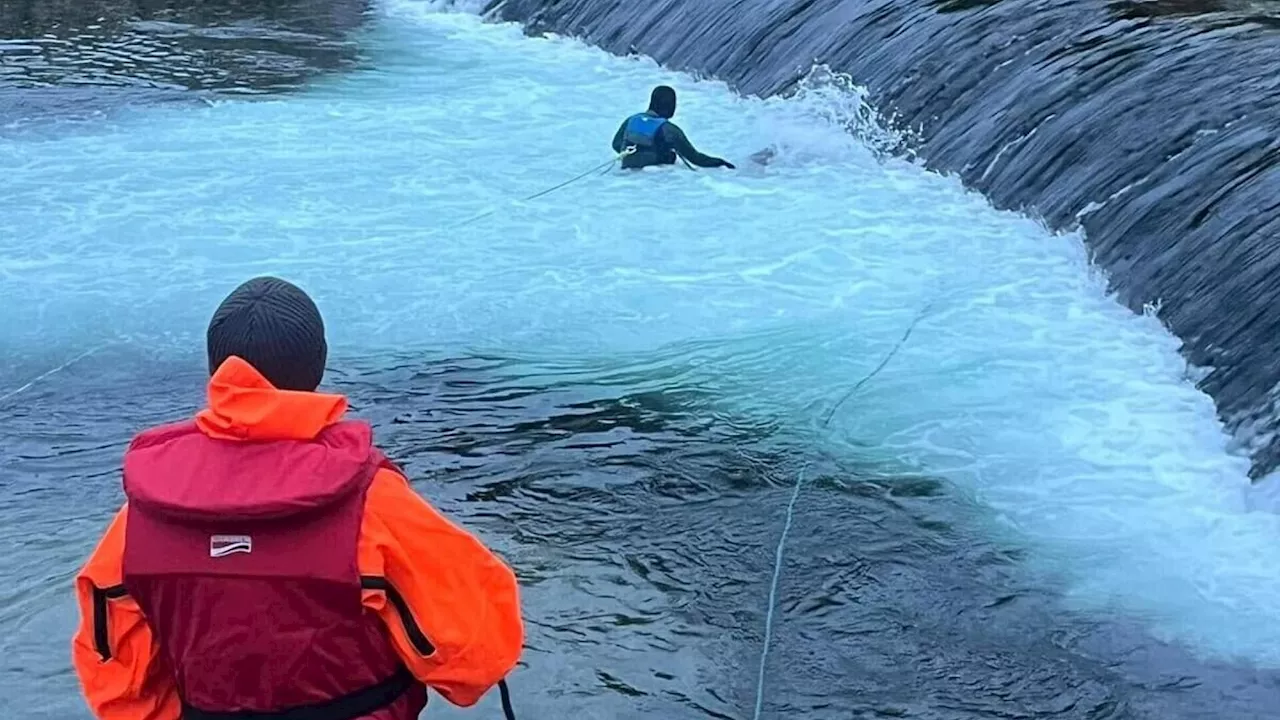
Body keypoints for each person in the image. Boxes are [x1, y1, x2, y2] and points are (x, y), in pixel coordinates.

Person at [71, 276, 525, 720]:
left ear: (215, 370)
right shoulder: (373, 503)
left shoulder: (142, 517)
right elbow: (476, 658)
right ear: (318, 367)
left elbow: (117, 679)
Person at [611, 85, 735, 170]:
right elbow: (696, 159)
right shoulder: (670, 130)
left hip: (626, 173)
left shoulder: (632, 119)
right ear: (670, 106)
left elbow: (616, 144)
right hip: (655, 177)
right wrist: (721, 163)